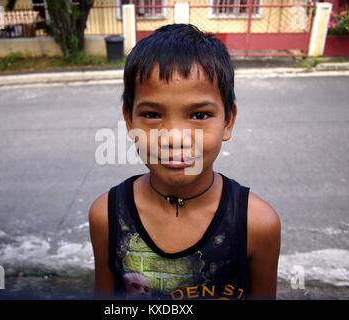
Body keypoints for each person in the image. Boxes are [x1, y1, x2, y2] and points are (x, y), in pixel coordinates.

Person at [89, 24, 281, 300]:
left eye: (200, 115)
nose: (175, 138)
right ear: (130, 121)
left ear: (228, 121)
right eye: (153, 114)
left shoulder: (258, 225)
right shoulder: (106, 215)